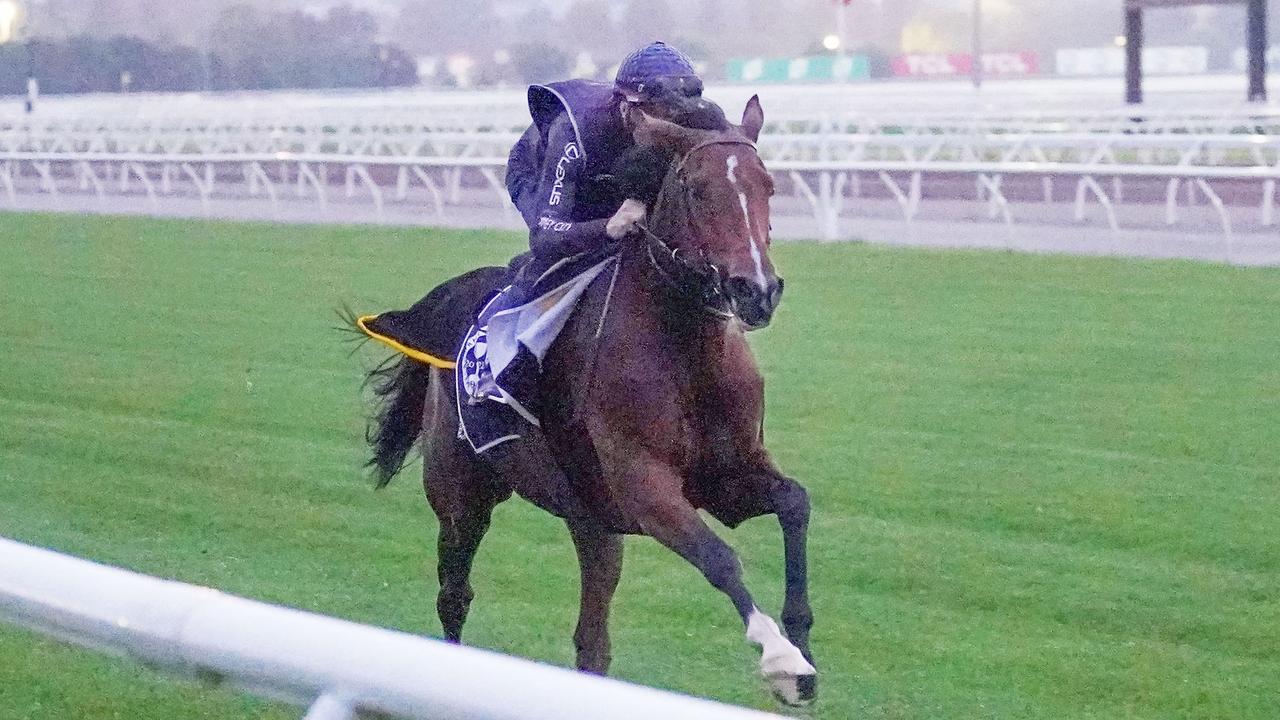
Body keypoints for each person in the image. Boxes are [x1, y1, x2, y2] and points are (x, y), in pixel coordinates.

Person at [502, 41, 716, 302]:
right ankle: (507, 318)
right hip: (537, 170)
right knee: (565, 253)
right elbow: (545, 235)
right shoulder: (574, 133)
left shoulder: (680, 122)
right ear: (626, 106)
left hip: (610, 173)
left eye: (674, 115)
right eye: (656, 115)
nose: (666, 127)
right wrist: (607, 227)